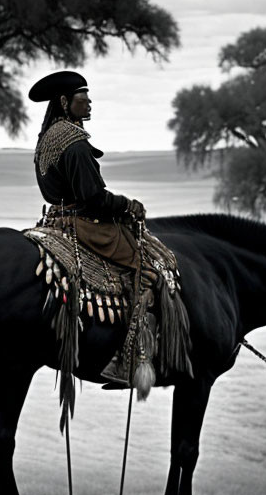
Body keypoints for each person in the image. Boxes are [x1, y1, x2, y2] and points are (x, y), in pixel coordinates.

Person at [29, 71, 192, 387]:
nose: (89, 102)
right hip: (86, 224)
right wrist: (127, 205)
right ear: (64, 102)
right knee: (148, 267)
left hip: (57, 218)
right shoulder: (72, 142)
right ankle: (129, 355)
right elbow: (92, 197)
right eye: (82, 97)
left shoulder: (48, 137)